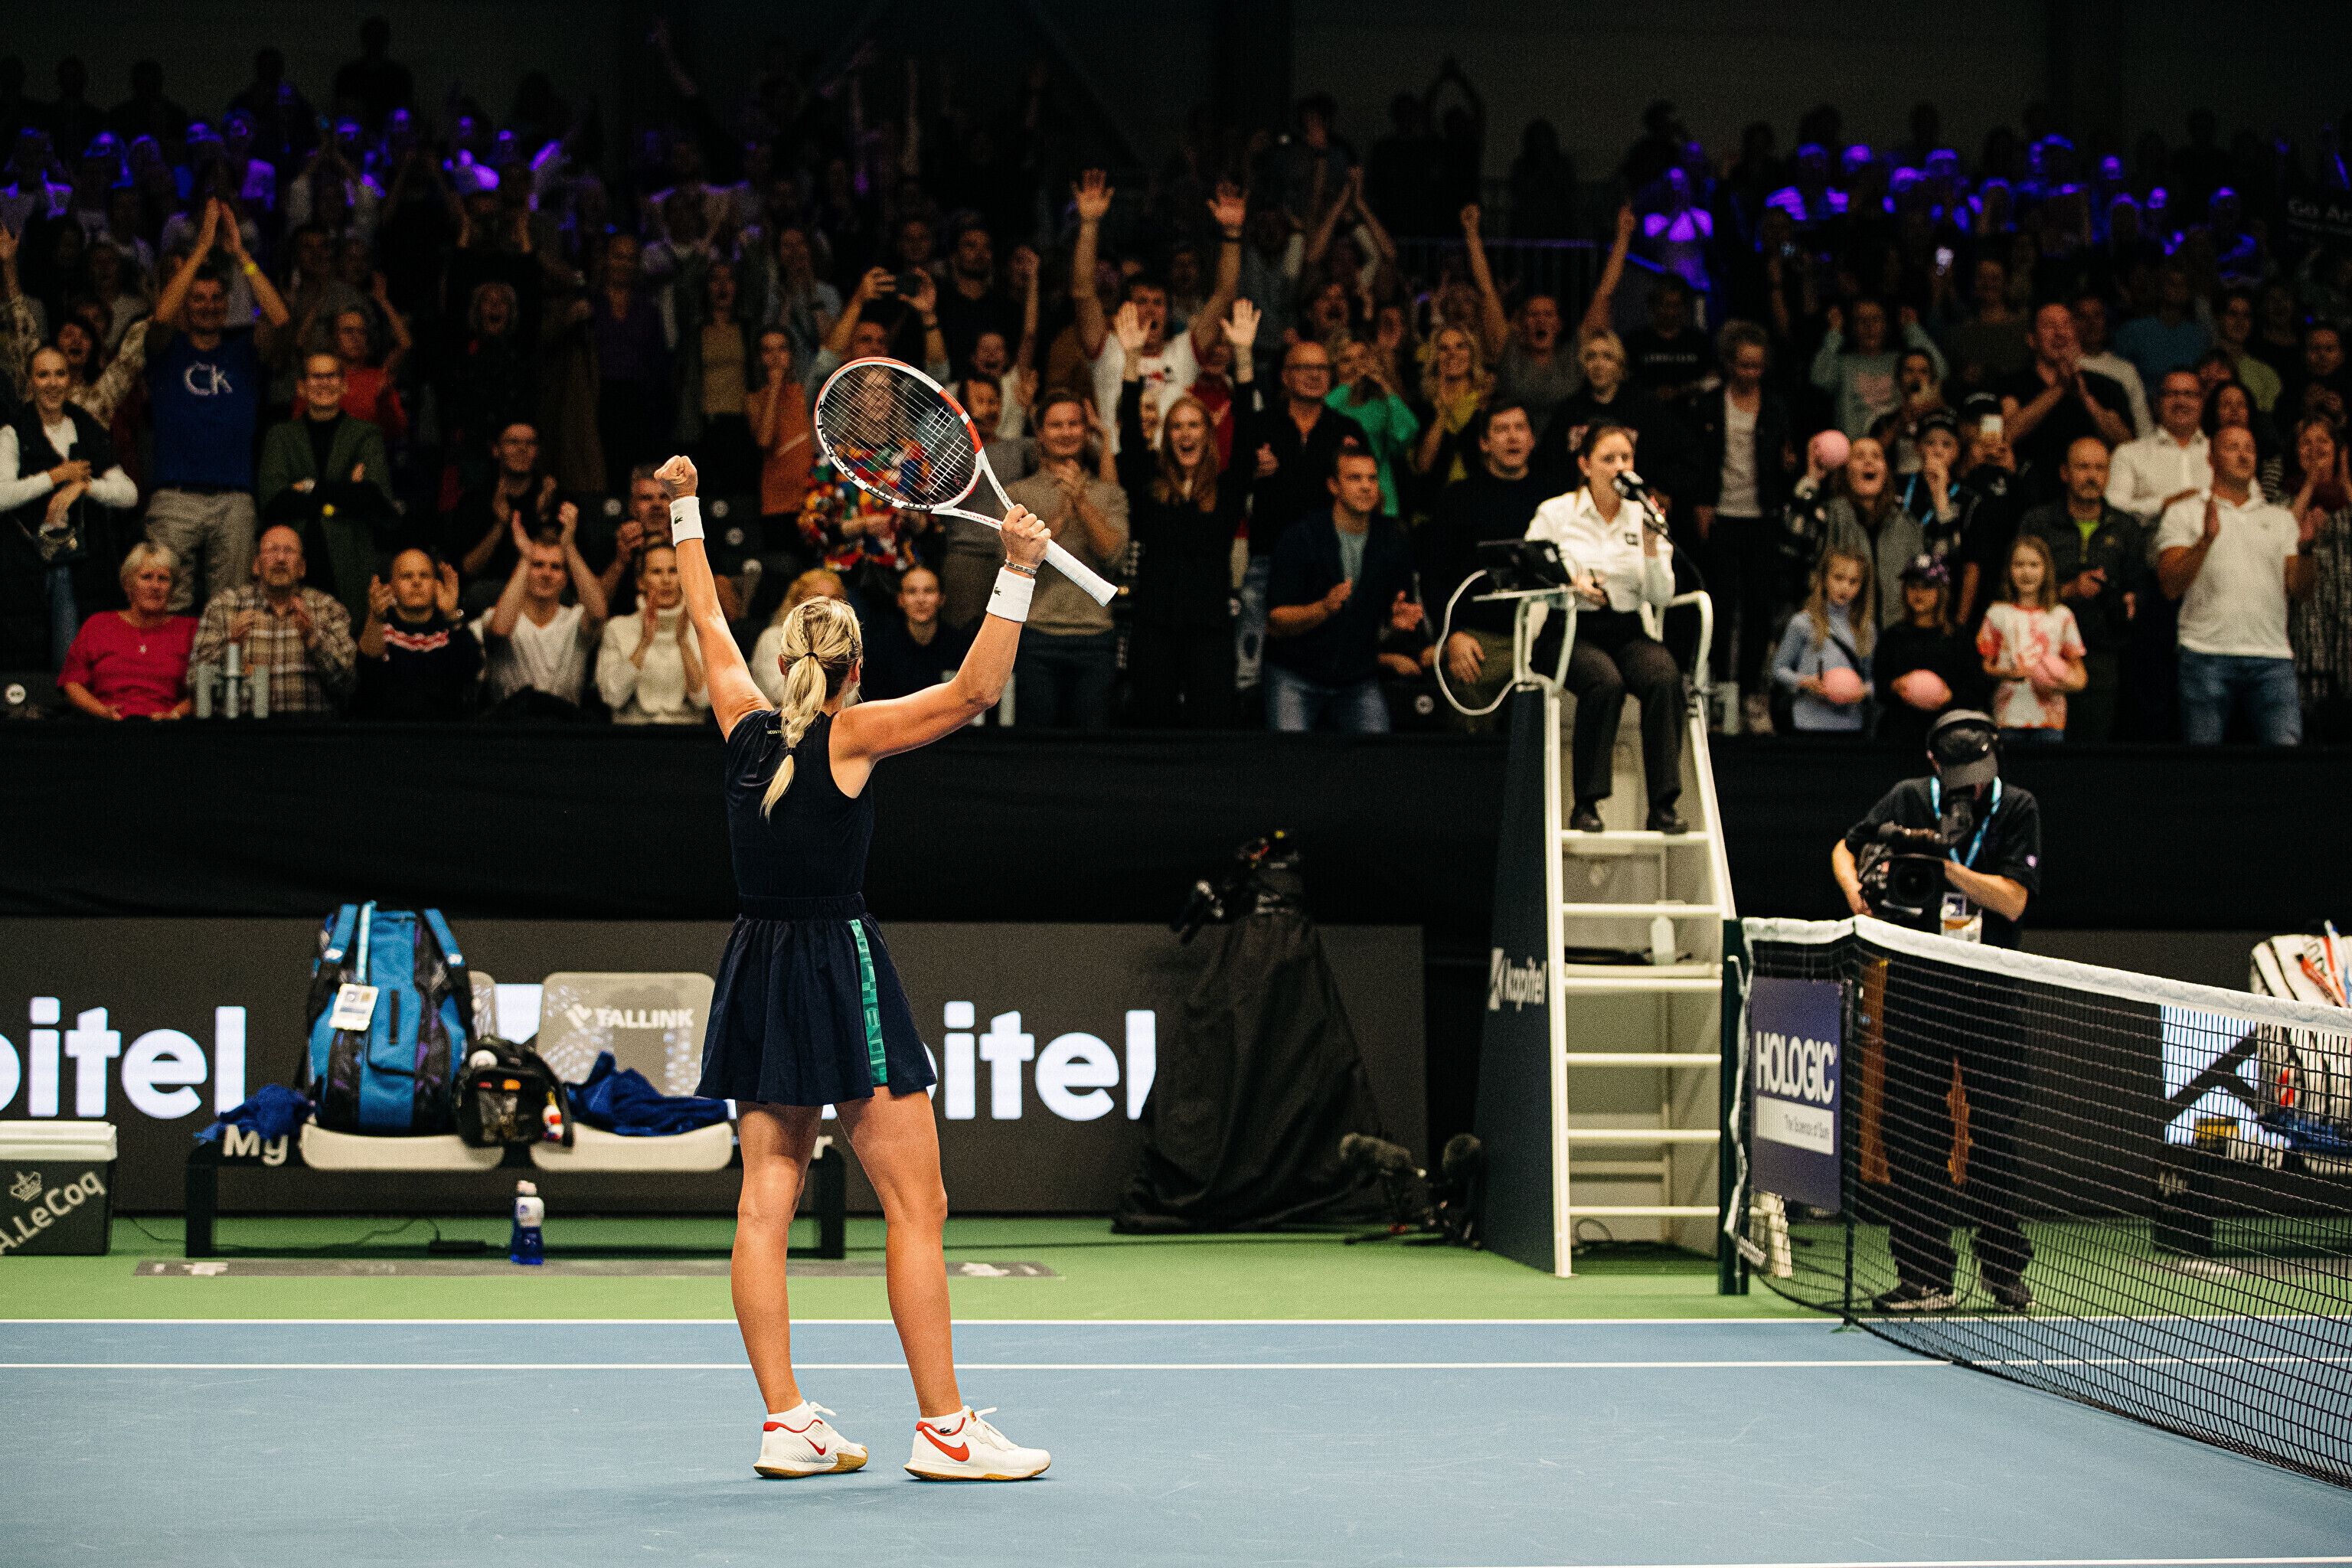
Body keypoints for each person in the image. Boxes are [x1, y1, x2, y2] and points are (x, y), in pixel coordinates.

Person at [656, 452, 1054, 1482]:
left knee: (764, 1202)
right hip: (838, 968)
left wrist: (687, 505)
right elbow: (976, 689)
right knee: (918, 1205)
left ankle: (786, 1422)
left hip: (757, 967)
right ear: (854, 669)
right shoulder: (853, 734)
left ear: (784, 657)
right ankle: (946, 1429)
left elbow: (705, 617)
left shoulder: (741, 724)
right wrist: (1017, 569)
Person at [1830, 710, 2042, 1313]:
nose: (1969, 783)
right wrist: (1858, 897)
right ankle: (1925, 1277)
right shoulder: (1905, 799)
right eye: (1958, 773)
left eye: (1979, 771)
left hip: (1991, 992)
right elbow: (1845, 848)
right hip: (1917, 987)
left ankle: (2003, 1268)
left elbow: (2014, 901)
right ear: (1933, 763)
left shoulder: (2017, 807)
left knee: (1994, 1136)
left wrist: (1945, 868)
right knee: (1912, 1134)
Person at [1527, 424, 1685, 833]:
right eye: (1608, 459)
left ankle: (1663, 806)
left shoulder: (1644, 515)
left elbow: (1662, 595)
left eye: (1626, 459)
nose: (1619, 467)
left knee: (1664, 676)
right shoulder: (1556, 513)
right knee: (1605, 682)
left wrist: (1649, 544)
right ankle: (1586, 804)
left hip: (1626, 627)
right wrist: (1569, 584)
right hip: (1568, 629)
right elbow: (1528, 575)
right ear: (1585, 465)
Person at [142, 198, 292, 612]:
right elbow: (161, 317)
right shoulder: (167, 349)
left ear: (227, 304)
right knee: (166, 606)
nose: (208, 305)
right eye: (198, 298)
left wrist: (242, 256)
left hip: (234, 497)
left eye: (216, 298)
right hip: (174, 494)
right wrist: (201, 248)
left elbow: (282, 320)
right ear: (186, 303)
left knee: (233, 610)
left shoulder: (243, 350)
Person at [1117, 301, 1253, 729]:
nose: (1185, 433)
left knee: (1210, 728)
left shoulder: (1227, 491)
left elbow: (1248, 437)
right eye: (1176, 426)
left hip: (1209, 630)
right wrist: (1131, 360)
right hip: (1153, 628)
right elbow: (1131, 439)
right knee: (1151, 726)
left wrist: (1244, 357)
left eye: (1195, 425)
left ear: (1208, 435)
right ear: (1166, 435)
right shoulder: (1149, 486)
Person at [2157, 423, 2318, 745]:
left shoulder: (2281, 519)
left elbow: (2300, 591)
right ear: (2211, 457)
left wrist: (2306, 549)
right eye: (2232, 447)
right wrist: (2205, 541)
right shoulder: (2184, 512)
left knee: (2287, 763)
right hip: (2205, 653)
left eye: (2249, 449)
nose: (2243, 455)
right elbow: (2170, 586)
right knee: (2203, 765)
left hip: (2272, 657)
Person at [1069, 169, 1243, 452]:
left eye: (1158, 303)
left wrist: (1232, 234)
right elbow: (1082, 292)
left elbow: (1224, 294)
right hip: (1117, 468)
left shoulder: (1184, 352)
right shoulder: (1107, 349)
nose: (1151, 310)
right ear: (1124, 310)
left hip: (1172, 468)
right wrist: (1089, 224)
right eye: (1142, 301)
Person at [1263, 444, 1423, 732]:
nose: (1366, 487)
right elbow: (1275, 623)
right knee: (1290, 754)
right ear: (1333, 486)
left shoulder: (1392, 541)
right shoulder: (1302, 538)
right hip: (1296, 673)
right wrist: (1323, 608)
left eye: (1372, 478)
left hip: (1356, 679)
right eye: (1354, 478)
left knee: (1377, 754)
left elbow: (1392, 623)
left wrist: (1397, 623)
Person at [1236, 338, 1365, 689]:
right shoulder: (1261, 426)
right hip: (1269, 557)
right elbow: (1229, 484)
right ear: (1285, 376)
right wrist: (1252, 471)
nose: (1314, 375)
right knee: (1250, 671)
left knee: (1329, 662)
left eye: (1321, 368)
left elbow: (1370, 497)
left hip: (1327, 562)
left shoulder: (1347, 432)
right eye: (1304, 367)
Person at [2, 342, 139, 668]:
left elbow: (129, 493)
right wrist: (55, 477)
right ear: (30, 381)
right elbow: (3, 495)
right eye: (43, 375)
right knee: (27, 658)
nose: (52, 383)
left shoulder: (84, 425)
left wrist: (83, 487)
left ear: (70, 379)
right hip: (26, 560)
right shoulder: (13, 431)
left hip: (82, 562)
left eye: (60, 374)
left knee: (75, 655)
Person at [1688, 322, 1795, 730]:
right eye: (1744, 365)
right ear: (1729, 364)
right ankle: (1717, 690)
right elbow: (1699, 458)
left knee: (1758, 607)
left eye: (1758, 366)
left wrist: (1789, 465)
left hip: (1762, 516)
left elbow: (1786, 460)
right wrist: (1702, 502)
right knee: (1719, 603)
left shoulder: (1777, 407)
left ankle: (1751, 693)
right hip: (1722, 514)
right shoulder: (1709, 404)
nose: (1751, 372)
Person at [1000, 391, 1128, 728]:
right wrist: (1060, 513)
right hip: (1036, 635)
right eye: (1056, 425)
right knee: (1037, 748)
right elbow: (1012, 563)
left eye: (1074, 424)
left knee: (1093, 749)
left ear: (1086, 432)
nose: (1066, 432)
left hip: (1096, 637)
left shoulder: (1110, 493)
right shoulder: (1018, 495)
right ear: (1040, 433)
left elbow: (1115, 557)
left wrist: (1081, 499)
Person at [1427, 400, 1549, 729]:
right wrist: (1452, 635)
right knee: (1471, 730)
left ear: (1532, 439)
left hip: (1544, 635)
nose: (1513, 437)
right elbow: (1435, 577)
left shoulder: (1554, 499)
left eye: (1520, 428)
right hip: (1480, 638)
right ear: (1484, 443)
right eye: (1501, 429)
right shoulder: (1459, 498)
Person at [257, 352, 400, 629]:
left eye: (331, 376)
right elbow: (274, 502)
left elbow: (374, 498)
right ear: (301, 386)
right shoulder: (280, 436)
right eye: (316, 376)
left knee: (351, 637)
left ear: (344, 385)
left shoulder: (366, 434)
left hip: (350, 556)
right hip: (296, 555)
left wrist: (309, 487)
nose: (324, 383)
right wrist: (343, 494)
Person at [2018, 436, 2145, 741]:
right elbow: (2013, 587)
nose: (2092, 476)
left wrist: (2128, 602)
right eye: (2083, 467)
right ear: (2064, 472)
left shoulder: (2125, 528)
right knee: (2041, 751)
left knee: (2092, 751)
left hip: (2101, 653)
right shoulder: (2039, 523)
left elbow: (2139, 591)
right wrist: (2070, 590)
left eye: (2100, 468)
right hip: (2040, 650)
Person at [190, 523, 358, 715]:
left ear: (302, 568)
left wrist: (314, 641)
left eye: (289, 551)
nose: (280, 559)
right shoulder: (223, 607)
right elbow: (196, 686)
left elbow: (349, 687)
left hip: (309, 730)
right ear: (256, 565)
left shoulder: (328, 609)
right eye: (272, 550)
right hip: (243, 730)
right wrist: (232, 647)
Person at [1998, 302, 2132, 505]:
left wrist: (2086, 398)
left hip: (2092, 498)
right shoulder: (2012, 384)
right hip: (2029, 497)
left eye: (2066, 325)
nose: (2060, 333)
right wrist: (2059, 388)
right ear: (2032, 339)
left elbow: (2127, 444)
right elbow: (2005, 436)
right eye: (2049, 326)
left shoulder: (2106, 386)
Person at [475, 512, 607, 715]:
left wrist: (569, 547)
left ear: (565, 578)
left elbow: (598, 613)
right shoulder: (494, 616)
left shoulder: (576, 618)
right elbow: (500, 631)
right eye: (537, 565)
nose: (546, 574)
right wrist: (525, 558)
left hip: (565, 724)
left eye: (556, 567)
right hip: (510, 725)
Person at [58, 541, 194, 718]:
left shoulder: (190, 630)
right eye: (146, 577)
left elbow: (204, 691)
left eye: (163, 579)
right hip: (106, 726)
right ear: (128, 585)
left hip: (168, 728)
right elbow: (72, 683)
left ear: (173, 589)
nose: (155, 586)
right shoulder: (98, 625)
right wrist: (101, 711)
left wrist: (174, 715)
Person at [1977, 533, 2087, 745]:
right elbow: (1985, 666)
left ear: (2046, 570)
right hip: (2008, 716)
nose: (2026, 572)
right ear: (2009, 570)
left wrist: (2062, 682)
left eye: (2034, 565)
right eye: (2019, 565)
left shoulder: (2061, 615)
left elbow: (2079, 674)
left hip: (2050, 719)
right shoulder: (1997, 614)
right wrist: (2006, 674)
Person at [2284, 416, 2352, 741]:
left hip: (2347, 619)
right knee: (2312, 724)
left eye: (2323, 441)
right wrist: (2310, 485)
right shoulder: (2286, 495)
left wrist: (2345, 479)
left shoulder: (2348, 494)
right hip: (2308, 622)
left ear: (2337, 450)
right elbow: (2283, 533)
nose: (2314, 448)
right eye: (2306, 442)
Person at [353, 547, 480, 720]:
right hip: (387, 728)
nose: (416, 582)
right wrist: (375, 618)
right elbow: (367, 671)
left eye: (424, 575)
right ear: (391, 586)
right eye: (407, 576)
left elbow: (470, 669)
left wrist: (451, 614)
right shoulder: (379, 624)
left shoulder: (450, 626)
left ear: (436, 584)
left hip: (443, 729)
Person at [596, 542, 709, 725]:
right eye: (657, 572)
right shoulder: (617, 628)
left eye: (673, 571)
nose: (666, 580)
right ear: (641, 582)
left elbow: (704, 700)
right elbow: (613, 697)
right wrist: (643, 644)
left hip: (687, 735)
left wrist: (683, 643)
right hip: (632, 735)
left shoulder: (704, 629)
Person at [1873, 554, 1971, 753]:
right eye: (1912, 586)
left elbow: (1975, 687)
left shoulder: (1957, 637)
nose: (1919, 593)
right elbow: (1878, 685)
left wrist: (1951, 696)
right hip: (1900, 735)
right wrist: (1894, 686)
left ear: (1941, 591)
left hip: (1946, 735)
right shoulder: (1893, 636)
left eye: (1927, 586)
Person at [1811, 298, 1947, 441]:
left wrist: (1912, 329)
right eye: (1862, 320)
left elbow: (1940, 371)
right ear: (1853, 327)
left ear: (1886, 325)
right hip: (1855, 447)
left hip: (1897, 444)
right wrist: (1835, 332)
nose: (1869, 326)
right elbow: (1818, 379)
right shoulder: (1843, 363)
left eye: (1876, 319)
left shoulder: (1899, 360)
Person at [1822, 436, 1922, 630]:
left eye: (1876, 456)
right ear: (1846, 472)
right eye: (1859, 456)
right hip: (1842, 634)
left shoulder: (1906, 524)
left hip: (1896, 636)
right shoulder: (1830, 517)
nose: (1869, 461)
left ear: (1886, 471)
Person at [1772, 546, 1874, 733]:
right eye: (1838, 578)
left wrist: (1864, 691)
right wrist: (1805, 681)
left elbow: (1873, 679)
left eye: (1853, 582)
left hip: (1852, 726)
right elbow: (1778, 669)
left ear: (1862, 586)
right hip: (1808, 723)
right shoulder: (1802, 622)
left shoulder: (1866, 629)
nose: (1845, 587)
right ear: (1825, 579)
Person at [2104, 369, 2211, 528]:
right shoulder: (2129, 453)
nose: (2181, 402)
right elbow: (2113, 507)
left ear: (2202, 402)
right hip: (2151, 541)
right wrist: (2163, 505)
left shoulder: (2221, 451)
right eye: (2172, 394)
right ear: (2157, 403)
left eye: (2189, 394)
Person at [858, 565, 972, 704]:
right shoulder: (880, 647)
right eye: (912, 592)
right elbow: (873, 702)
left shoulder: (961, 646)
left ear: (941, 599)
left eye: (928, 591)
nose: (920, 599)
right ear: (900, 600)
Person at [750, 568, 850, 704]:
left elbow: (848, 698)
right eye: (817, 597)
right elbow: (782, 695)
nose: (827, 604)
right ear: (797, 603)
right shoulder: (773, 638)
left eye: (835, 598)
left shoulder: (845, 643)